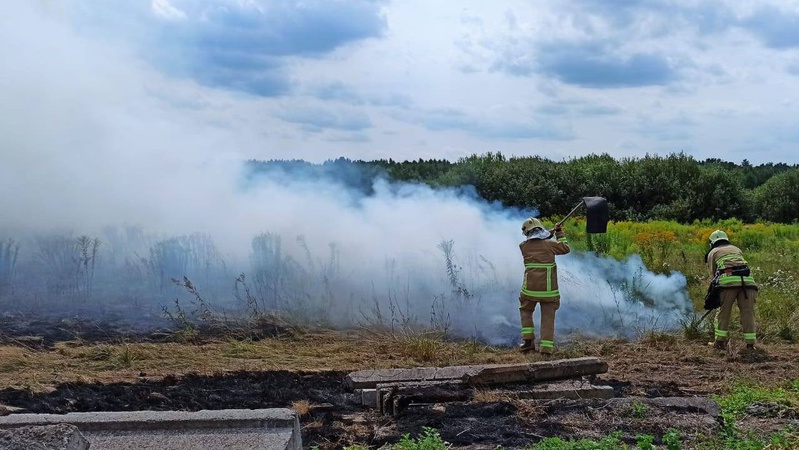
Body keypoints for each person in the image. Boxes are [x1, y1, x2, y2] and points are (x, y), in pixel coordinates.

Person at [518, 217, 570, 354]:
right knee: (548, 318)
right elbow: (565, 248)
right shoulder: (550, 245)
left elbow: (539, 242)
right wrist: (559, 232)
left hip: (529, 291)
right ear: (540, 229)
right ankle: (546, 349)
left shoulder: (523, 247)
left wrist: (550, 234)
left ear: (527, 233)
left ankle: (528, 342)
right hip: (549, 292)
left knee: (526, 311)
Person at [705, 230, 758, 350]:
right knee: (748, 313)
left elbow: (713, 274)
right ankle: (750, 344)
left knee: (723, 312)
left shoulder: (713, 252)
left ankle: (719, 342)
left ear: (712, 242)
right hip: (748, 283)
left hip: (728, 283)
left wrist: (713, 293)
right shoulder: (736, 249)